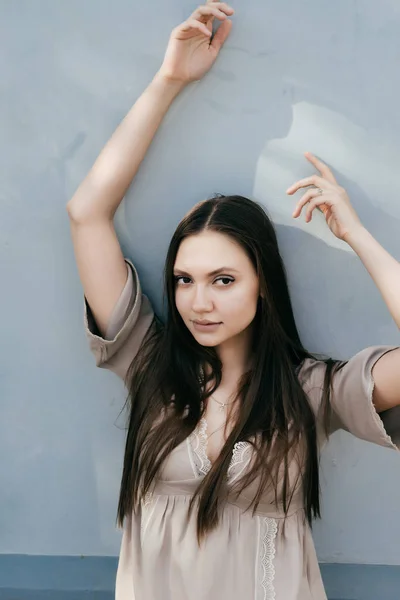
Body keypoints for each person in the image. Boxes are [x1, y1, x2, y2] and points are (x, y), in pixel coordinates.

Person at [67, 3, 400, 599]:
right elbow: (86, 212)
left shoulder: (312, 392)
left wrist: (355, 233)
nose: (198, 301)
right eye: (184, 280)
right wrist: (168, 81)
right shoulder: (146, 362)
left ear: (262, 284)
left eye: (224, 280)